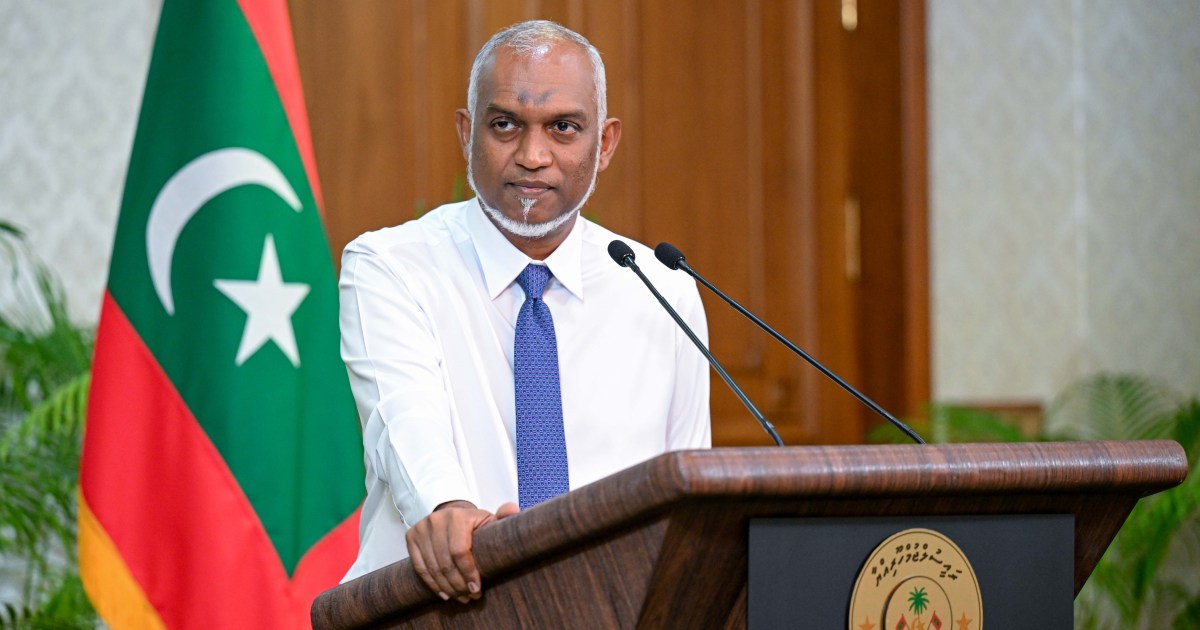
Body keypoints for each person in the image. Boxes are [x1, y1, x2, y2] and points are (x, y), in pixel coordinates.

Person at [337, 20, 711, 603]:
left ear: (605, 144)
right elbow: (403, 419)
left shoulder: (661, 288)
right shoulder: (392, 266)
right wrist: (446, 508)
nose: (533, 157)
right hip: (437, 609)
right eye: (505, 125)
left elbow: (688, 494)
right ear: (467, 133)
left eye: (563, 128)